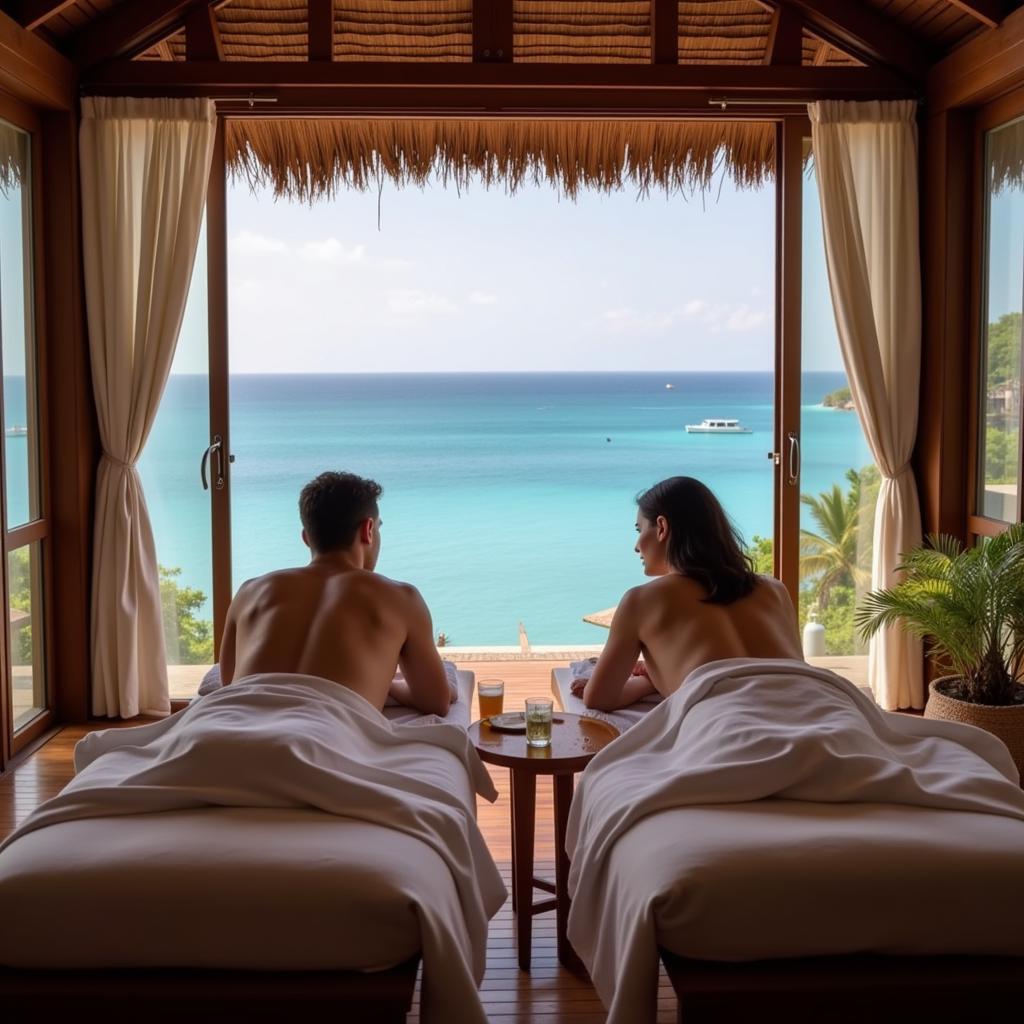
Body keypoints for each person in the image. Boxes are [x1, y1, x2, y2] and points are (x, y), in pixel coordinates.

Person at [218, 471, 452, 716]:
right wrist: (389, 687)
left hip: (223, 729)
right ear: (368, 530)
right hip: (327, 736)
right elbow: (435, 701)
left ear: (306, 538)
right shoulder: (402, 598)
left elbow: (229, 685)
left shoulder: (249, 591)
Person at [574, 476, 802, 712]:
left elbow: (599, 698)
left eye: (639, 529)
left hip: (736, 730)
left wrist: (649, 681)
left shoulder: (641, 601)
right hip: (821, 713)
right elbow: (792, 675)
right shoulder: (775, 589)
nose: (636, 545)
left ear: (662, 527)